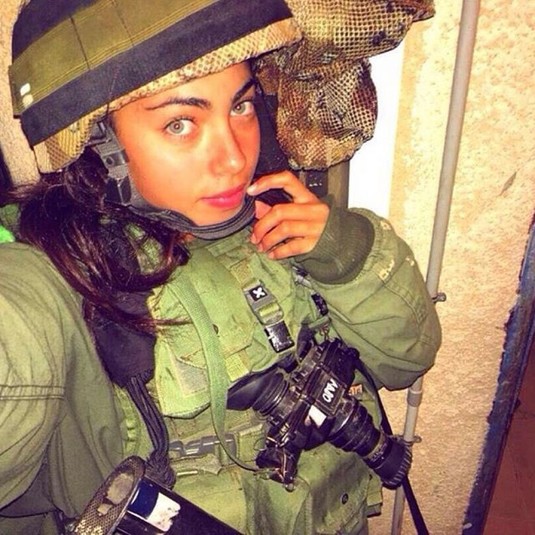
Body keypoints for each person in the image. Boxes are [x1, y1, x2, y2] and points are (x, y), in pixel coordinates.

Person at [0, 0, 440, 534]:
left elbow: (405, 363)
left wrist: (344, 253)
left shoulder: (287, 220)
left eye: (241, 107)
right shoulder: (60, 273)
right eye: (180, 123)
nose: (234, 158)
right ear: (98, 145)